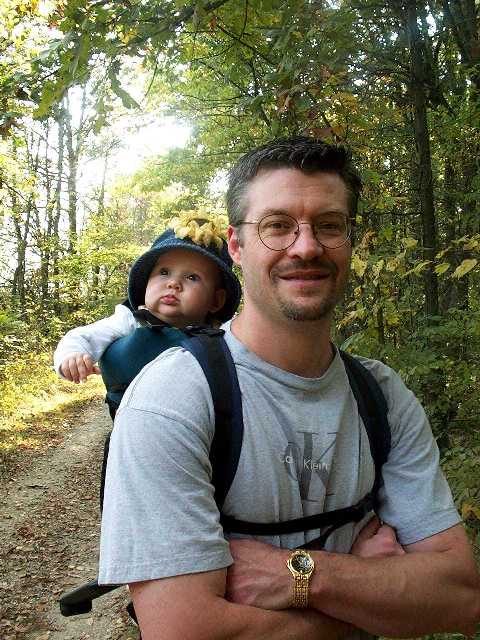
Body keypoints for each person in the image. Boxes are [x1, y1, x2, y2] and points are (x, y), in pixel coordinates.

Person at [98, 136, 480, 640]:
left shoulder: (383, 398)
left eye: (330, 225)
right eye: (277, 226)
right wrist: (369, 592)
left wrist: (299, 576)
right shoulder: (171, 399)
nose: (306, 247)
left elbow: (460, 596)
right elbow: (182, 630)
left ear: (350, 241)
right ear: (237, 246)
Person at [53, 213, 242, 414]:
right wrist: (72, 356)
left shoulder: (223, 334)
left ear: (216, 300)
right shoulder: (130, 320)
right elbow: (83, 336)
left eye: (192, 277)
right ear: (145, 284)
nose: (173, 283)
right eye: (164, 272)